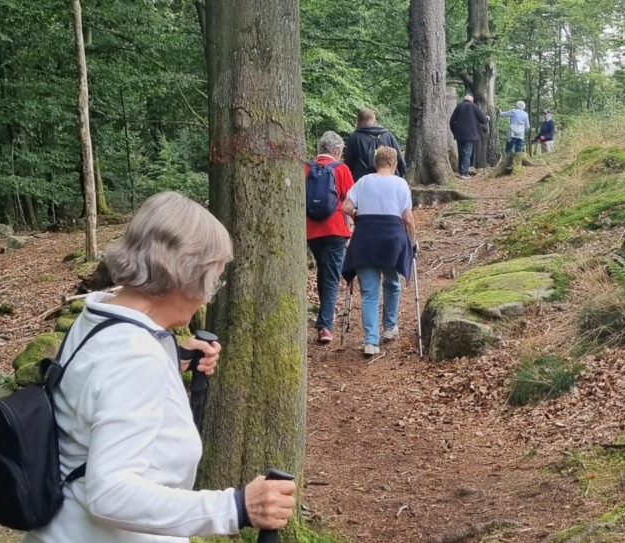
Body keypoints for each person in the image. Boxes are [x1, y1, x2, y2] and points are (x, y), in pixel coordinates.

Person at [25, 192, 296, 543]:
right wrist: (238, 507)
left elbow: (96, 391)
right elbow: (110, 493)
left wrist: (175, 359)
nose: (209, 295)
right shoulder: (135, 357)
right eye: (213, 280)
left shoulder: (98, 319)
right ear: (184, 275)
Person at [341, 147, 416, 357]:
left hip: (365, 239)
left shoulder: (363, 182)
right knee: (392, 283)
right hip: (392, 241)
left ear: (376, 164)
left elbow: (346, 207)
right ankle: (390, 327)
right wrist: (413, 240)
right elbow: (408, 218)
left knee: (369, 293)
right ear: (394, 165)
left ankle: (371, 341)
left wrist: (358, 215)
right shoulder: (400, 183)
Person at [306, 131, 354, 344]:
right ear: (336, 151)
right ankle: (325, 326)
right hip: (335, 229)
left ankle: (324, 317)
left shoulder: (306, 168)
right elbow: (351, 201)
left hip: (312, 231)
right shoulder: (341, 169)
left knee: (324, 271)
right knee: (332, 276)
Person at [344, 108, 406, 182]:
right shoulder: (387, 135)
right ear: (374, 119)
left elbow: (348, 164)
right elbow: (400, 160)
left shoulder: (354, 137)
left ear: (358, 120)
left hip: (363, 181)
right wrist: (400, 177)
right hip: (387, 179)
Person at [449, 93, 489, 179]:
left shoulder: (459, 106)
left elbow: (451, 121)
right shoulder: (474, 107)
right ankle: (464, 173)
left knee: (461, 153)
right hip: (470, 134)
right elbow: (483, 120)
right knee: (467, 153)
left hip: (459, 134)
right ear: (472, 100)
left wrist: (454, 131)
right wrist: (487, 118)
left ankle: (461, 171)